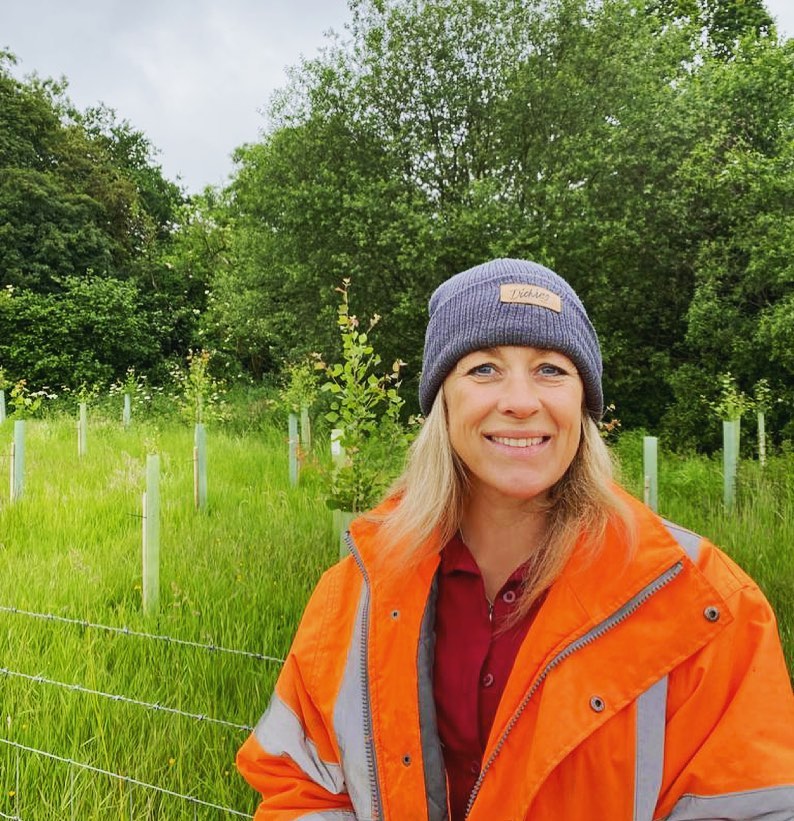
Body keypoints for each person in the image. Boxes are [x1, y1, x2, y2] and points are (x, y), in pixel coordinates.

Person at [237, 258, 794, 820]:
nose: (521, 401)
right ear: (442, 401)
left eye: (551, 369)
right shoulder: (360, 588)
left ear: (584, 402)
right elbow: (300, 783)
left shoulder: (701, 602)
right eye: (484, 369)